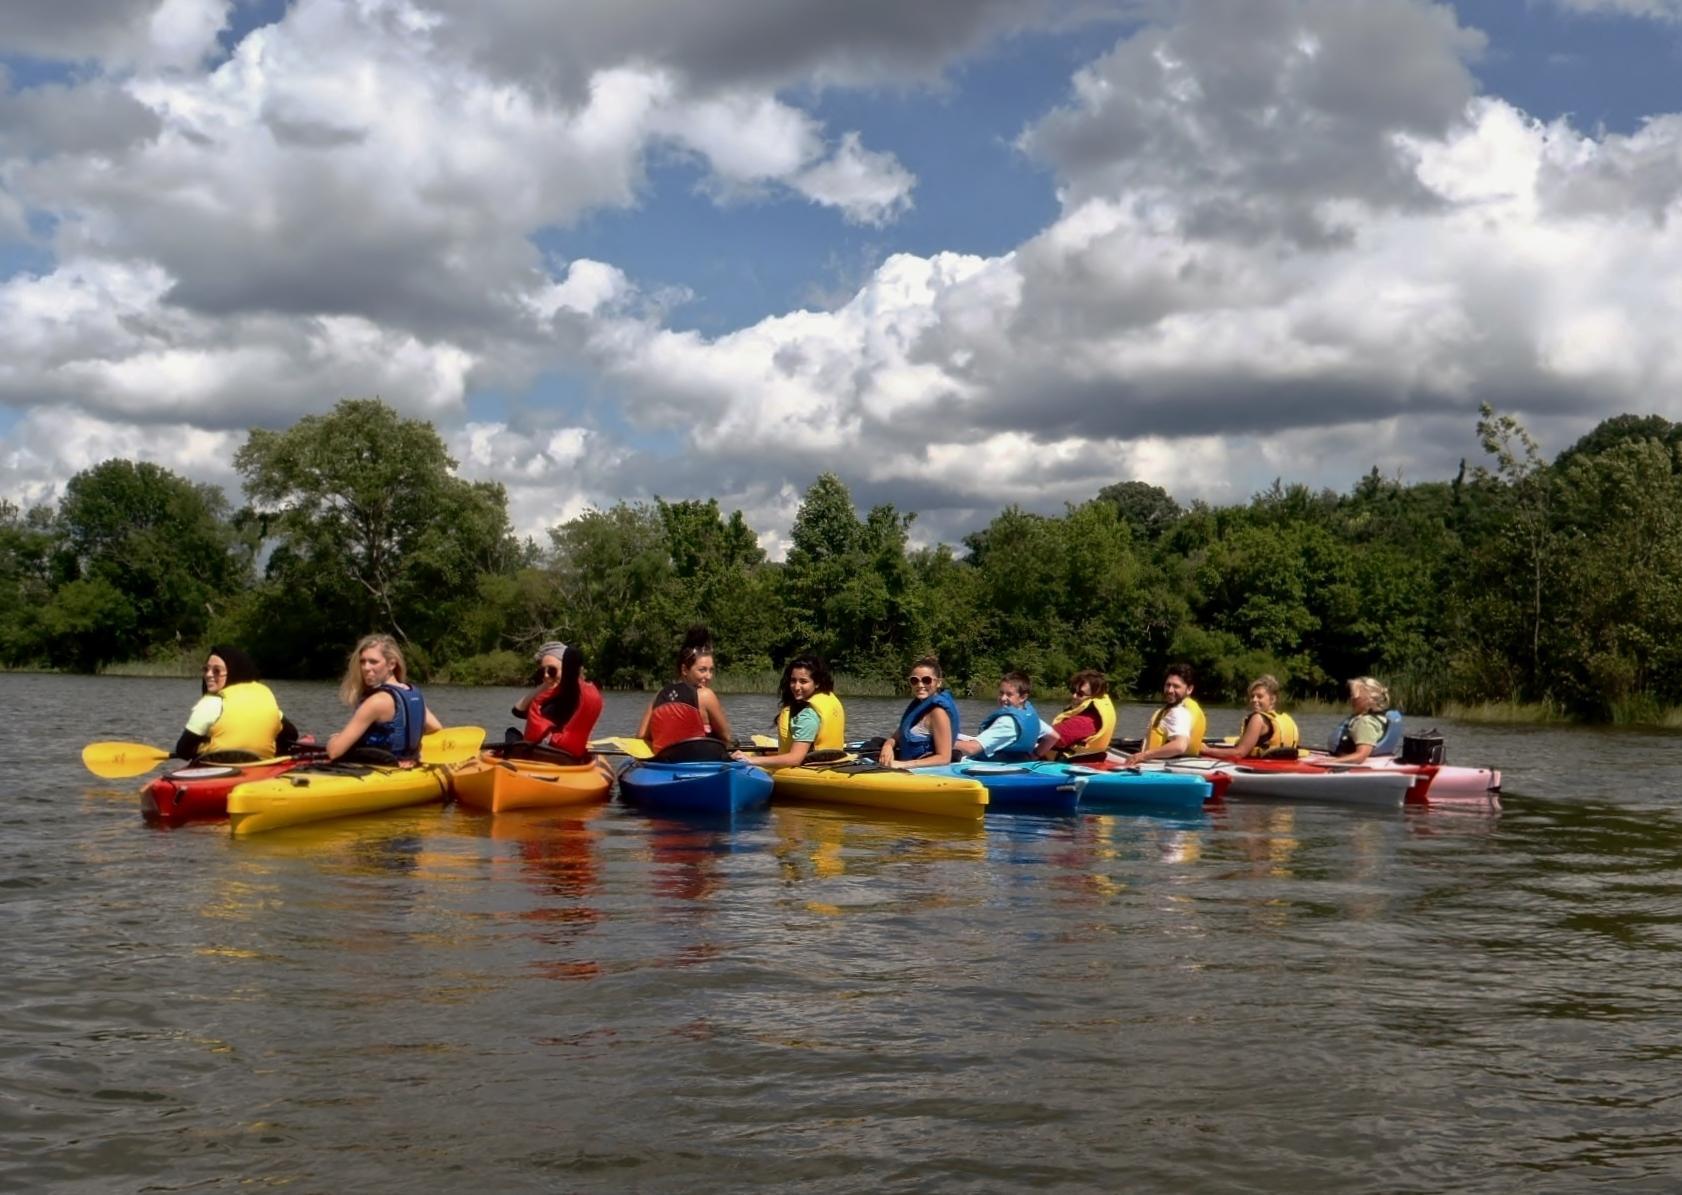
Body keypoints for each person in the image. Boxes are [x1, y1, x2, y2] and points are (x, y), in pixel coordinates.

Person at [325, 633, 442, 762]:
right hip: (407, 764)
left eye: (373, 662)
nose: (366, 667)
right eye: (362, 661)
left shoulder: (377, 702)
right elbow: (435, 727)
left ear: (391, 664)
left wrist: (334, 740)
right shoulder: (412, 693)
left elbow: (334, 752)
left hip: (381, 769)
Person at [172, 644, 298, 762]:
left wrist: (202, 748)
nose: (209, 675)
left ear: (233, 671)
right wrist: (277, 751)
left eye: (217, 671)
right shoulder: (263, 696)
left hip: (218, 768)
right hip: (261, 766)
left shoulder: (211, 703)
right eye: (206, 669)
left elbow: (183, 750)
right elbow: (292, 734)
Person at [636, 626, 735, 761]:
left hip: (664, 764)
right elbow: (726, 737)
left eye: (711, 670)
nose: (709, 676)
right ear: (684, 669)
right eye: (702, 670)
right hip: (699, 763)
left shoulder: (661, 693)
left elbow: (641, 735)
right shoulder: (706, 695)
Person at [734, 654, 845, 767]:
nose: (796, 687)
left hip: (812, 768)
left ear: (817, 683)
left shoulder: (808, 715)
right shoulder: (827, 698)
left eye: (803, 681)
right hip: (834, 761)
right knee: (759, 742)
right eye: (793, 680)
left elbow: (795, 759)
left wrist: (751, 760)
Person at [510, 641, 602, 761]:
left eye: (552, 671)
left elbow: (572, 658)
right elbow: (517, 711)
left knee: (512, 735)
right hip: (541, 753)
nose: (546, 675)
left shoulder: (572, 694)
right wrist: (546, 683)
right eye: (543, 672)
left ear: (567, 669)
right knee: (511, 733)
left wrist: (559, 677)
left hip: (560, 755)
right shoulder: (547, 698)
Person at [1114, 663, 1205, 765]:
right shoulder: (1176, 709)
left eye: (1176, 686)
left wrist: (1143, 755)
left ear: (1189, 689)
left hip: (1156, 769)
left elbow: (1180, 745)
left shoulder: (1178, 713)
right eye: (1168, 685)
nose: (1170, 690)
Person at [879, 656, 961, 768]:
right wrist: (887, 746)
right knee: (875, 742)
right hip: (906, 763)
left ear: (938, 682)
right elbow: (895, 738)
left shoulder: (938, 712)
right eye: (914, 680)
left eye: (926, 680)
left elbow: (944, 758)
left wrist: (903, 764)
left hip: (922, 771)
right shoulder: (918, 707)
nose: (920, 685)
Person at [956, 671, 1057, 761]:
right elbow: (1053, 737)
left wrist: (944, 743)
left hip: (989, 768)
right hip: (1017, 764)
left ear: (1023, 697)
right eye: (1001, 693)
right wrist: (1035, 755)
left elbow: (971, 748)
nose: (1003, 698)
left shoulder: (1007, 722)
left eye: (1009, 694)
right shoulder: (1030, 716)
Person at [1202, 674, 1300, 760]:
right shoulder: (1284, 719)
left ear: (1273, 699)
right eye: (1252, 696)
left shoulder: (1258, 719)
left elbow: (1239, 753)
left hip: (1262, 771)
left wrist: (1206, 750)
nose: (1254, 700)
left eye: (1259, 696)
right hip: (1284, 766)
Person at [1037, 669, 1117, 763]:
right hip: (1088, 761)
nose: (1074, 696)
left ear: (1094, 696)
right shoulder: (1093, 713)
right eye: (1073, 690)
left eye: (1080, 694)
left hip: (1065, 766)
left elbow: (1052, 737)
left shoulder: (1085, 721)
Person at [1325, 676, 1401, 763]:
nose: (1351, 699)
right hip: (1378, 760)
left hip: (1353, 765)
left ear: (1368, 698)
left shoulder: (1365, 723)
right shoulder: (1379, 717)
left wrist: (1326, 763)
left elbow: (1360, 756)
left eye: (1354, 696)